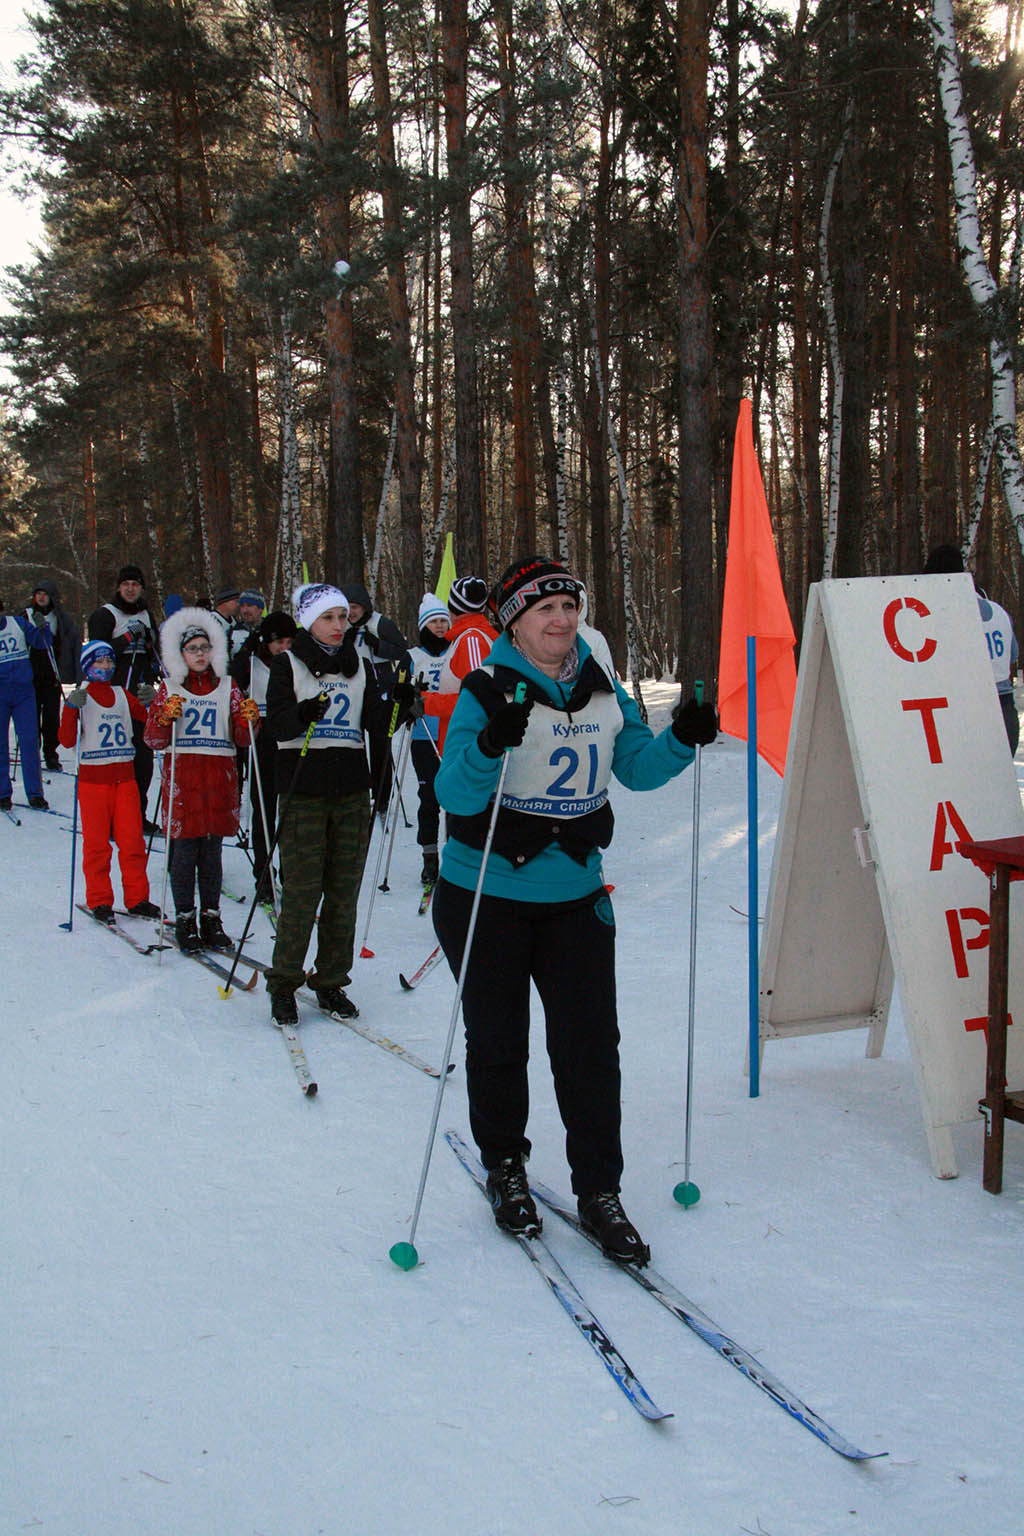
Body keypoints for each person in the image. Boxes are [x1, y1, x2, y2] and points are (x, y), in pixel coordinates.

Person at [432, 555, 718, 1265]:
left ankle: (599, 1191)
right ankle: (505, 1167)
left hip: (575, 895)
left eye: (569, 606)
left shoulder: (598, 682)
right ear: (514, 621)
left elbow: (636, 768)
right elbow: (455, 795)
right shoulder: (486, 684)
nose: (561, 620)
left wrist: (683, 736)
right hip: (485, 895)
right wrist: (492, 744)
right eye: (544, 609)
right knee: (499, 1042)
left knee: (590, 1050)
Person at [263, 583, 394, 1026]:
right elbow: (278, 727)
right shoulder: (287, 663)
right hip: (304, 790)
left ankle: (331, 980)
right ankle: (284, 982)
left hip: (351, 789)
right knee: (302, 892)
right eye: (328, 618)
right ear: (308, 621)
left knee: (343, 892)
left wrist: (401, 706)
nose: (338, 626)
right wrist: (304, 713)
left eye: (342, 617)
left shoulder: (360, 664)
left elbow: (378, 721)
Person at [144, 607, 259, 952]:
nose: (199, 655)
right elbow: (153, 739)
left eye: (204, 648)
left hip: (219, 782)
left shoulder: (228, 686)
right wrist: (164, 717)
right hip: (185, 784)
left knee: (212, 856)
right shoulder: (169, 688)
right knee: (183, 856)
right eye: (192, 649)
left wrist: (250, 721)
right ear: (180, 654)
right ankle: (184, 918)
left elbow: (243, 738)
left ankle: (211, 917)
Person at [59, 640, 159, 924]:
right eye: (99, 662)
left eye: (108, 662)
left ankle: (137, 897)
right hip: (93, 782)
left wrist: (151, 700)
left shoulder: (121, 694)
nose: (105, 667)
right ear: (87, 666)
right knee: (96, 845)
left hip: (125, 779)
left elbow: (150, 721)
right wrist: (69, 708)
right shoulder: (83, 695)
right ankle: (100, 899)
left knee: (132, 842)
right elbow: (66, 740)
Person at [923, 544, 1020, 752]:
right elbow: (1012, 656)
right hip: (1005, 710)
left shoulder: (945, 616)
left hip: (969, 711)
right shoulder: (999, 611)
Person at [88, 565, 161, 830]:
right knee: (118, 761)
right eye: (126, 584)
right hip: (113, 698)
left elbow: (153, 652)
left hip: (140, 696)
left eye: (136, 584)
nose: (131, 589)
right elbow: (97, 657)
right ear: (119, 587)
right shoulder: (105, 615)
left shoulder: (146, 614)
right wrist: (128, 637)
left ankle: (137, 816)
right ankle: (110, 819)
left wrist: (151, 644)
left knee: (143, 761)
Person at [231, 610, 297, 902]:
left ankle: (289, 873)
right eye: (278, 642)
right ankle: (263, 874)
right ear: (267, 642)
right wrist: (246, 649)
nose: (284, 647)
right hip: (262, 737)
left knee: (290, 810)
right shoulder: (253, 662)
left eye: (288, 641)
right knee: (264, 810)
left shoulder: (297, 662)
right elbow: (231, 680)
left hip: (290, 737)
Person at [343, 581, 408, 819]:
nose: (351, 612)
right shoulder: (343, 625)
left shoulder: (379, 623)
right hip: (353, 686)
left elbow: (402, 651)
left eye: (355, 607)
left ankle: (382, 797)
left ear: (365, 607)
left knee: (380, 743)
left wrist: (379, 645)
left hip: (380, 684)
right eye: (347, 607)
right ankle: (359, 789)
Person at [404, 593, 452, 884]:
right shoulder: (412, 657)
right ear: (424, 625)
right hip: (423, 736)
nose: (439, 627)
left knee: (454, 796)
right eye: (434, 621)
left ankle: (456, 855)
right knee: (429, 798)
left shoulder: (455, 651)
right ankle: (430, 858)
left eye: (444, 621)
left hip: (452, 734)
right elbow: (401, 694)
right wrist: (407, 702)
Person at [420, 575, 498, 753]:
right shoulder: (466, 637)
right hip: (463, 747)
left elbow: (478, 701)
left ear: (453, 608)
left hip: (469, 749)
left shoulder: (471, 640)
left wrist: (427, 702)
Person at [0, 594, 51, 811]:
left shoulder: (17, 623)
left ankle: (35, 793)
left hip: (23, 693)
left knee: (30, 741)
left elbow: (43, 643)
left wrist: (43, 627)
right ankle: (3, 793)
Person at [26, 578, 81, 770]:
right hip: (30, 676)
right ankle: (32, 753)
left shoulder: (61, 618)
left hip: (52, 676)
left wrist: (76, 674)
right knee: (31, 719)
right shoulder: (26, 615)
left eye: (45, 594)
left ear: (52, 598)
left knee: (51, 719)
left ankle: (51, 754)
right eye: (38, 594)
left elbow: (73, 644)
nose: (41, 597)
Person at [209, 585, 250, 662]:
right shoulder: (211, 620)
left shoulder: (233, 621)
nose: (238, 605)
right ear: (224, 602)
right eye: (235, 601)